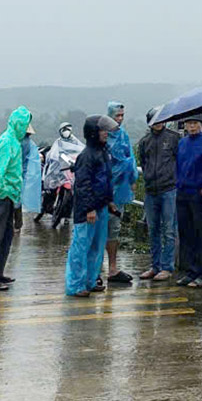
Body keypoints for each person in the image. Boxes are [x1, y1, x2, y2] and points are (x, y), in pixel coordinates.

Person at [0, 106, 33, 292]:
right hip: (1, 196)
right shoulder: (6, 142)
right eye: (25, 124)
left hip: (10, 195)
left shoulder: (14, 142)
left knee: (7, 236)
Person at [65, 115, 118, 297]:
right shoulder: (86, 156)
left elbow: (107, 179)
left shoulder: (103, 152)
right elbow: (83, 184)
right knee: (81, 247)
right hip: (87, 210)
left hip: (101, 207)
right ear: (94, 133)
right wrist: (89, 208)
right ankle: (76, 285)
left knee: (97, 246)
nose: (106, 134)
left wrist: (110, 201)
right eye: (103, 131)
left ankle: (90, 280)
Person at [137, 107, 179, 281]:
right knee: (153, 229)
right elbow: (143, 163)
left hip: (169, 189)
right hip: (150, 190)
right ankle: (154, 266)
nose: (159, 122)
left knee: (169, 230)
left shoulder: (173, 138)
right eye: (155, 119)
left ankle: (167, 267)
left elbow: (179, 161)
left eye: (162, 118)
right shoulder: (144, 141)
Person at [175, 114, 202, 288]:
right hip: (182, 192)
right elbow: (177, 166)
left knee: (201, 232)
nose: (191, 126)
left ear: (201, 125)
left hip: (198, 193)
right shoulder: (182, 143)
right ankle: (190, 272)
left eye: (195, 123)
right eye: (189, 123)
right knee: (186, 233)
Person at [105, 101, 138, 284]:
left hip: (120, 190)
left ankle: (112, 267)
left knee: (114, 229)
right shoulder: (101, 135)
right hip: (103, 189)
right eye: (117, 116)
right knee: (100, 229)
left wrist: (132, 179)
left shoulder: (123, 136)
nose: (119, 119)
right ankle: (95, 269)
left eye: (122, 116)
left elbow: (130, 158)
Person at [37, 122, 86, 221]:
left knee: (73, 191)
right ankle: (45, 207)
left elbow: (82, 151)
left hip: (69, 169)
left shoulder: (75, 142)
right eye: (64, 130)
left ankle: (67, 214)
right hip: (58, 170)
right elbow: (53, 155)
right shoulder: (58, 143)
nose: (66, 132)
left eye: (68, 130)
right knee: (50, 189)